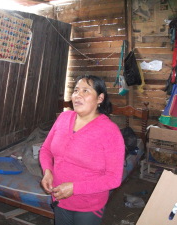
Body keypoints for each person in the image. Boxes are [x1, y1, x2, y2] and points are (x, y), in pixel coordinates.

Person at [40, 75, 125, 225]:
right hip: (59, 198)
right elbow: (46, 149)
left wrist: (75, 188)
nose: (78, 95)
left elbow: (113, 178)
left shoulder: (110, 132)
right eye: (76, 90)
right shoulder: (64, 118)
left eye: (86, 91)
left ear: (100, 98)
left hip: (88, 205)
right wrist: (48, 171)